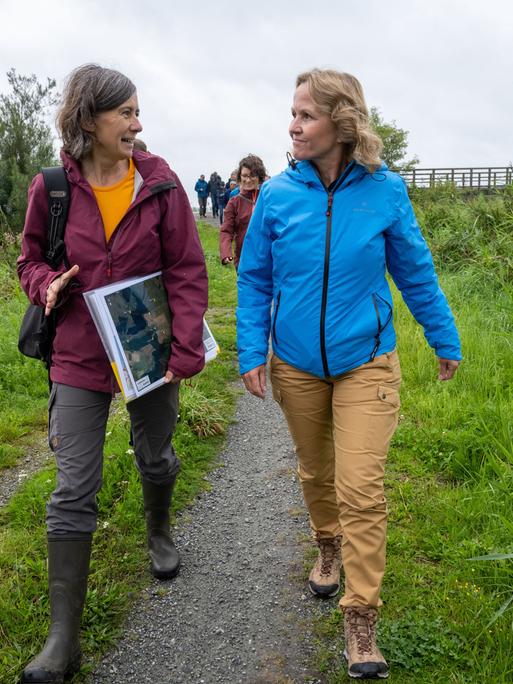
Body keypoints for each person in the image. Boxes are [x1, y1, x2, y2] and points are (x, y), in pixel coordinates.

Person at [236, 68, 461, 680]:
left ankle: (361, 616)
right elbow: (255, 279)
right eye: (293, 113)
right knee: (316, 471)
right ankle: (326, 543)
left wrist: (443, 335)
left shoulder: (385, 191)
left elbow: (414, 270)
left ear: (342, 120)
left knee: (362, 487)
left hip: (368, 361)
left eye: (305, 114)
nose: (293, 125)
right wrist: (251, 351)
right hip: (299, 367)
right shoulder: (279, 195)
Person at [17, 63, 208, 683]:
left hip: (148, 349)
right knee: (73, 488)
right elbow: (27, 262)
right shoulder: (51, 190)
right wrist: (46, 283)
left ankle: (159, 531)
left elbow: (185, 268)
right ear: (88, 120)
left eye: (136, 112)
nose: (137, 123)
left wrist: (183, 347)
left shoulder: (162, 184)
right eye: (125, 112)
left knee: (154, 455)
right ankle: (62, 642)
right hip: (76, 353)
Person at [219, 154, 266, 269]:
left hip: (267, 260)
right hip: (243, 260)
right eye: (244, 176)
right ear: (239, 177)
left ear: (260, 177)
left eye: (252, 175)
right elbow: (226, 230)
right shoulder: (234, 202)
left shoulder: (268, 199)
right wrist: (226, 252)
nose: (248, 180)